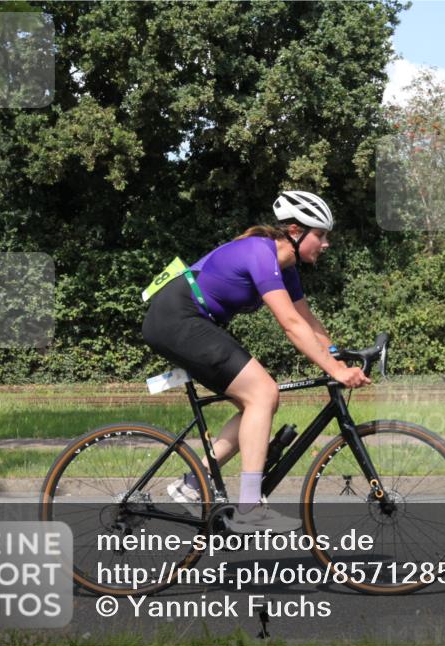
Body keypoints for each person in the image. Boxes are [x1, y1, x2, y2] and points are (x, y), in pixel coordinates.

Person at [141, 191, 370, 532]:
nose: (325, 244)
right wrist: (335, 370)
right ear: (295, 231)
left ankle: (193, 481)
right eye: (320, 235)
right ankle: (250, 508)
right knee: (263, 391)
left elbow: (306, 320)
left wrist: (339, 355)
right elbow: (290, 325)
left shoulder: (286, 266)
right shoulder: (260, 252)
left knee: (262, 400)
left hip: (191, 321)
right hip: (179, 318)